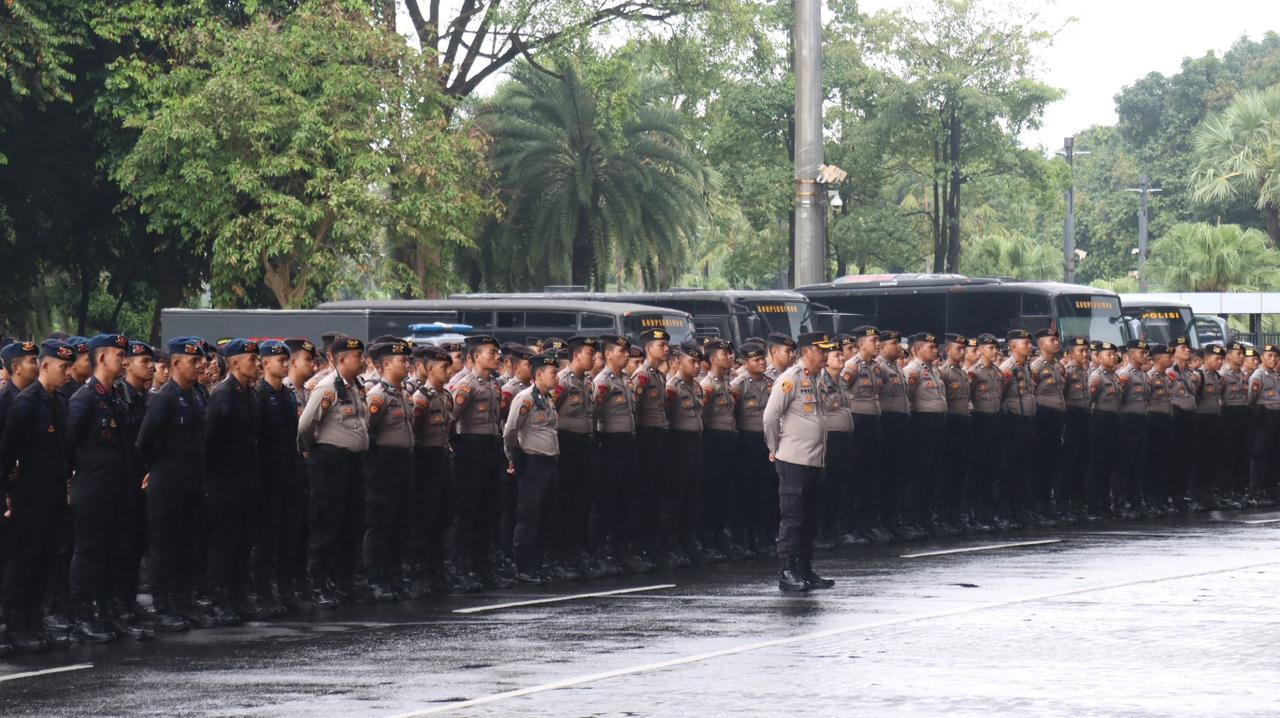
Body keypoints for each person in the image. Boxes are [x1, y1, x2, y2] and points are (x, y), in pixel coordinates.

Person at [1, 340, 75, 653]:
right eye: (62, 367)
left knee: (46, 559)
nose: (67, 373)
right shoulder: (26, 402)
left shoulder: (57, 400)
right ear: (45, 366)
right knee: (25, 560)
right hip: (30, 495)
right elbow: (8, 453)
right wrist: (6, 492)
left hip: (54, 493)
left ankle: (34, 620)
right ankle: (16, 623)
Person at [137, 337, 214, 632]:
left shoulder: (195, 395)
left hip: (192, 482)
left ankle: (184, 600)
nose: (199, 367)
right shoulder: (165, 397)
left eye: (200, 362)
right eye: (193, 362)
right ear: (176, 364)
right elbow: (144, 442)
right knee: (165, 545)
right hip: (167, 482)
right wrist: (156, 469)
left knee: (188, 543)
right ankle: (163, 604)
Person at [65, 334, 139, 643]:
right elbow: (68, 443)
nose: (124, 360)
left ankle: (108, 611)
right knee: (89, 552)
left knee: (114, 551)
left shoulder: (114, 397)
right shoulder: (84, 398)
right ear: (102, 358)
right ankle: (82, 614)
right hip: (92, 487)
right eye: (119, 355)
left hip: (116, 488)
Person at [297, 336, 369, 608]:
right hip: (330, 461)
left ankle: (343, 580)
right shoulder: (327, 388)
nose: (361, 361)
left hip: (352, 462)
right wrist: (310, 451)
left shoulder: (355, 386)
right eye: (357, 357)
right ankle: (318, 582)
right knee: (327, 522)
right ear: (341, 360)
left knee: (351, 522)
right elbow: (305, 425)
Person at [763, 332, 835, 592]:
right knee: (793, 518)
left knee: (810, 517)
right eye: (821, 350)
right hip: (793, 460)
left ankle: (804, 567)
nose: (826, 354)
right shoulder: (789, 380)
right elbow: (770, 417)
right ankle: (787, 570)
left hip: (815, 460)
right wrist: (775, 448)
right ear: (807, 352)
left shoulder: (816, 378)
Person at [203, 339, 262, 624]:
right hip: (224, 482)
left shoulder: (250, 394)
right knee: (224, 543)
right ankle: (220, 599)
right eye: (252, 360)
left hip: (246, 480)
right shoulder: (223, 395)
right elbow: (210, 442)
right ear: (236, 363)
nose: (257, 364)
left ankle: (239, 595)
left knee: (243, 541)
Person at [447, 335, 508, 590]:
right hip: (470, 449)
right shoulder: (465, 385)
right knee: (468, 510)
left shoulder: (494, 385)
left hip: (490, 448)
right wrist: (455, 447)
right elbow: (451, 418)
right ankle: (460, 566)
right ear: (475, 356)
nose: (497, 357)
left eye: (497, 352)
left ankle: (482, 564)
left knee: (488, 509)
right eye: (491, 352)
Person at [362, 340, 415, 601]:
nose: (407, 365)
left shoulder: (403, 393)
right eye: (401, 361)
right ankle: (374, 576)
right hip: (383, 463)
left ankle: (394, 573)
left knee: (400, 520)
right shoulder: (378, 395)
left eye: (407, 360)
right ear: (385, 366)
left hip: (403, 462)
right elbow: (366, 430)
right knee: (379, 522)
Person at [504, 353, 561, 583]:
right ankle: (523, 566)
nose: (556, 376)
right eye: (552, 372)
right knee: (529, 515)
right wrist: (514, 458)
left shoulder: (547, 398)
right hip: (533, 462)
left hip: (549, 462)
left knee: (547, 514)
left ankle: (538, 563)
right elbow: (510, 431)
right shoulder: (525, 398)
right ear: (538, 375)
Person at [254, 340, 298, 618]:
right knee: (266, 536)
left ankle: (285, 588)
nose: (285, 364)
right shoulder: (259, 394)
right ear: (264, 364)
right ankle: (264, 592)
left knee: (288, 534)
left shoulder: (288, 394)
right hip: (267, 474)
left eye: (286, 360)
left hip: (289, 472)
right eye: (279, 360)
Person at [550, 336, 597, 578]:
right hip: (567, 443)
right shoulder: (563, 381)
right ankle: (562, 553)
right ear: (577, 355)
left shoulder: (587, 382)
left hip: (585, 443)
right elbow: (551, 411)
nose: (594, 357)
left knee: (583, 499)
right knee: (565, 500)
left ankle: (578, 551)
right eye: (590, 352)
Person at [408, 345, 453, 595]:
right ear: (429, 369)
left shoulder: (445, 396)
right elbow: (414, 431)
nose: (448, 371)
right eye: (443, 367)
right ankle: (418, 571)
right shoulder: (421, 398)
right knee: (424, 516)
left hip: (441, 457)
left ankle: (437, 568)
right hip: (425, 459)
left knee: (442, 515)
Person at [588, 335, 634, 578]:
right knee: (605, 500)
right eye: (621, 351)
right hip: (609, 444)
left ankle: (619, 550)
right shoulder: (602, 381)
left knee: (623, 499)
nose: (626, 355)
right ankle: (598, 551)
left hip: (626, 443)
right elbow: (593, 413)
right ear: (607, 355)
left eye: (627, 352)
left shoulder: (625, 379)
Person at [278, 338, 316, 614]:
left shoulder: (306, 391)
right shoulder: (286, 390)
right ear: (293, 362)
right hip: (287, 468)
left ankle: (298, 583)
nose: (313, 365)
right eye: (308, 360)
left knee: (303, 529)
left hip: (305, 467)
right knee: (287, 531)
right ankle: (285, 586)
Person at [628, 329, 670, 573]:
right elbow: (634, 410)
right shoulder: (642, 376)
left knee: (656, 493)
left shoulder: (658, 375)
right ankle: (639, 547)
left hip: (657, 437)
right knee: (643, 494)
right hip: (645, 438)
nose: (666, 349)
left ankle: (652, 545)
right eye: (661, 345)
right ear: (649, 348)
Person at [730, 342, 775, 555]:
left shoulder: (771, 383)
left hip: (766, 441)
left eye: (762, 358)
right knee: (746, 490)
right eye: (756, 360)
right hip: (747, 440)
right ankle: (744, 538)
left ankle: (763, 535)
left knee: (765, 489)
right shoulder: (738, 385)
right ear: (746, 363)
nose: (761, 362)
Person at [841, 326, 885, 542]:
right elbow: (841, 392)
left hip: (873, 420)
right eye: (874, 340)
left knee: (871, 473)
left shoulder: (876, 367)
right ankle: (849, 526)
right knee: (855, 474)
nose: (878, 344)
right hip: (858, 421)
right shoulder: (851, 367)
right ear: (860, 345)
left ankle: (865, 523)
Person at [663, 341, 706, 565]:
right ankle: (672, 543)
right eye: (692, 361)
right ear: (678, 362)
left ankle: (689, 540)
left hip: (695, 442)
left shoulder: (696, 386)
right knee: (676, 496)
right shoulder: (673, 387)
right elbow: (666, 416)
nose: (697, 366)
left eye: (699, 362)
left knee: (693, 494)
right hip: (679, 444)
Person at [876, 331, 912, 537]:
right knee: (886, 474)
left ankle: (893, 518)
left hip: (900, 423)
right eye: (893, 343)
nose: (898, 347)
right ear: (881, 347)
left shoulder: (895, 367)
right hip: (887, 422)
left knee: (898, 473)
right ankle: (883, 519)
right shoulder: (878, 367)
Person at [967, 334, 1004, 526]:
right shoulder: (973, 372)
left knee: (992, 467)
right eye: (990, 348)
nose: (995, 351)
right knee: (978, 468)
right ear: (980, 350)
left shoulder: (998, 373)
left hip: (995, 419)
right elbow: (968, 397)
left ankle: (988, 510)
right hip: (980, 420)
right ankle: (974, 510)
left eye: (996, 348)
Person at [1029, 329, 1064, 520]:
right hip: (1043, 416)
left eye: (1057, 339)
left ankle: (1046, 501)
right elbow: (1031, 392)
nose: (1056, 343)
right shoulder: (1036, 367)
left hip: (1057, 417)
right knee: (1040, 461)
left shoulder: (1058, 366)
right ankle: (1037, 504)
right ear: (1042, 345)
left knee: (1052, 461)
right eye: (1052, 340)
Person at [939, 334, 972, 530]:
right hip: (951, 422)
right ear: (948, 350)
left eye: (963, 349)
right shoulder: (944, 372)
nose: (962, 352)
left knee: (961, 469)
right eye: (958, 348)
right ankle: (944, 514)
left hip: (964, 421)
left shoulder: (963, 372)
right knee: (949, 470)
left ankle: (955, 512)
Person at [1115, 339, 1151, 518]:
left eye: (1146, 353)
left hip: (1141, 421)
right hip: (1127, 421)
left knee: (1138, 461)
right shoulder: (1124, 375)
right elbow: (1118, 401)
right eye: (1141, 353)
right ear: (1129, 355)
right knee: (1125, 462)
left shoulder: (1143, 375)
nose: (1145, 355)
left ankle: (1135, 498)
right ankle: (1122, 501)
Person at [1087, 341, 1122, 517]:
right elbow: (1090, 401)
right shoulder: (1097, 377)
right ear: (1098, 357)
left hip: (1113, 421)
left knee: (1109, 463)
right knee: (1098, 464)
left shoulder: (1115, 376)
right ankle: (1094, 505)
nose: (1113, 356)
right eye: (1108, 354)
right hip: (1100, 421)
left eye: (1114, 354)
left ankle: (1106, 503)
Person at [1059, 336, 1093, 519]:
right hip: (1071, 417)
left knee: (1082, 461)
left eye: (1087, 351)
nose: (1085, 354)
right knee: (1069, 462)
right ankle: (1065, 503)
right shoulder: (1067, 371)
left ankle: (1078, 501)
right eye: (1081, 351)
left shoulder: (1084, 372)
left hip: (1084, 417)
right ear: (1070, 353)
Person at [1218, 342, 1251, 507]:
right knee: (1228, 456)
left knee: (1241, 455)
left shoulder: (1243, 374)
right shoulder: (1223, 374)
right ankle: (1225, 492)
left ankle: (1239, 491)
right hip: (1229, 415)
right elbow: (1219, 398)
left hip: (1243, 414)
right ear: (1229, 356)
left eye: (1243, 353)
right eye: (1238, 353)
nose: (1242, 356)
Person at [1247, 344, 1280, 503]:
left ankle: (1269, 489)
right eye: (1269, 356)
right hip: (1264, 415)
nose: (1273, 359)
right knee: (1260, 453)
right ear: (1262, 358)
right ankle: (1256, 490)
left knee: (1273, 453)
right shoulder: (1258, 376)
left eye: (1275, 356)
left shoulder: (1276, 375)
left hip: (1276, 416)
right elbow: (1252, 399)